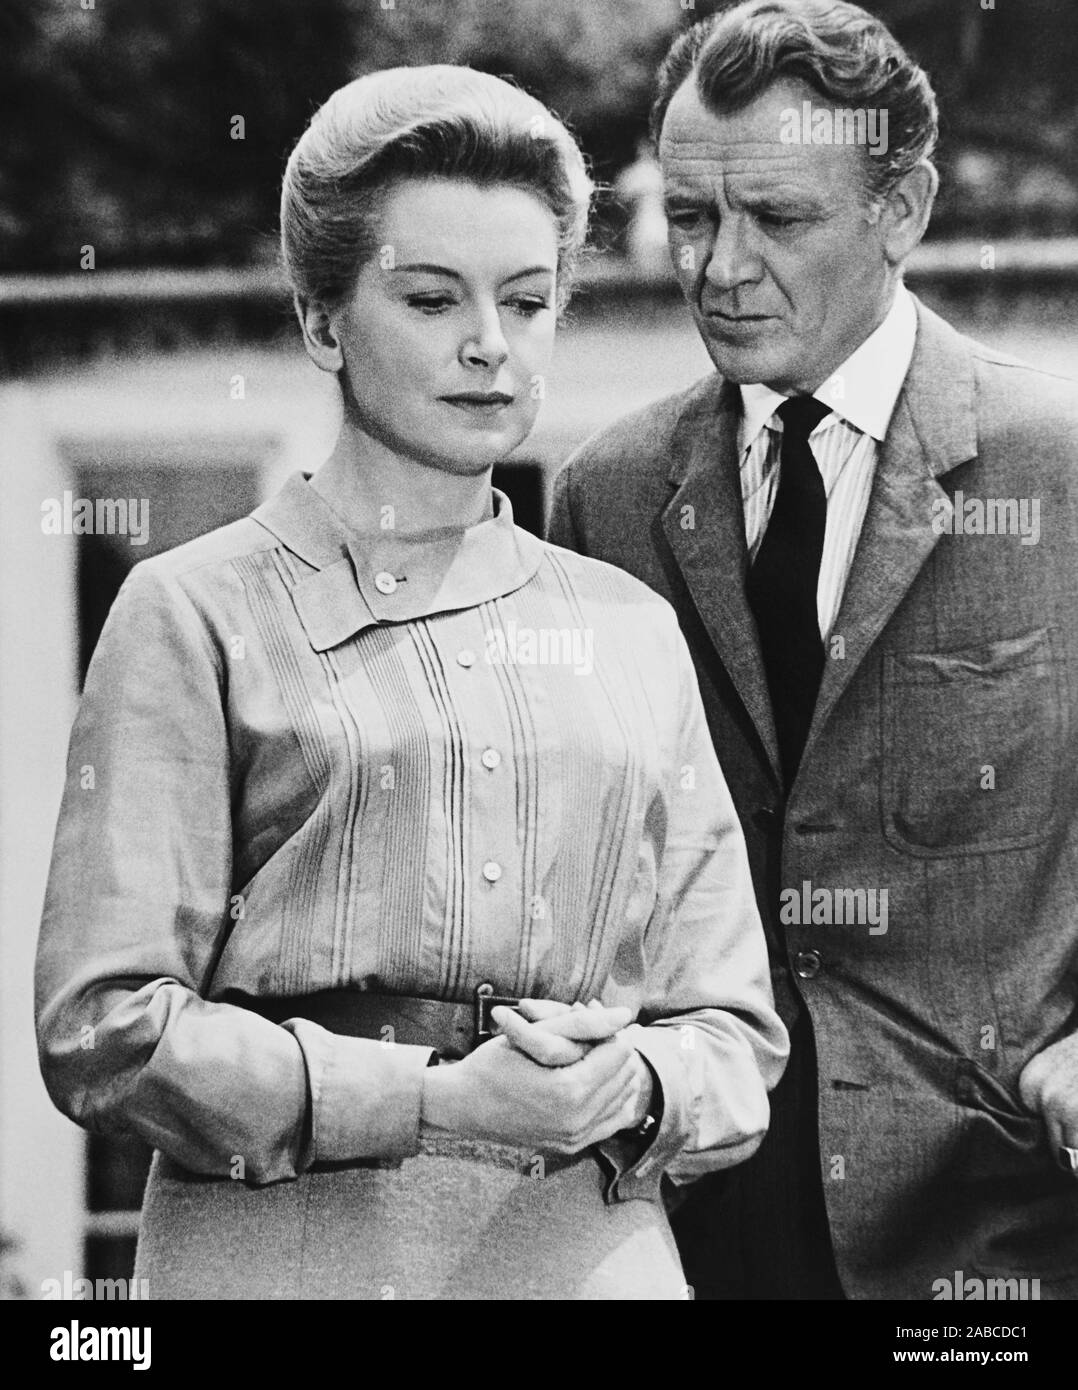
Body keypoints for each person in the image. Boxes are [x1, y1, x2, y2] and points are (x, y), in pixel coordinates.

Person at [34, 64, 787, 1302]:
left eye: (531, 300)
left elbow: (733, 1036)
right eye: (432, 299)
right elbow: (103, 1029)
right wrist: (430, 1099)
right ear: (321, 319)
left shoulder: (630, 630)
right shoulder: (191, 612)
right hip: (288, 1262)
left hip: (591, 1262)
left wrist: (630, 1082)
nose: (491, 344)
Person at [548, 0, 1078, 1300]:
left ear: (901, 209)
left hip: (993, 1236)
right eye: (687, 214)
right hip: (677, 1225)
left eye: (775, 218)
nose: (718, 266)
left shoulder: (1056, 471)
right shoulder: (602, 497)